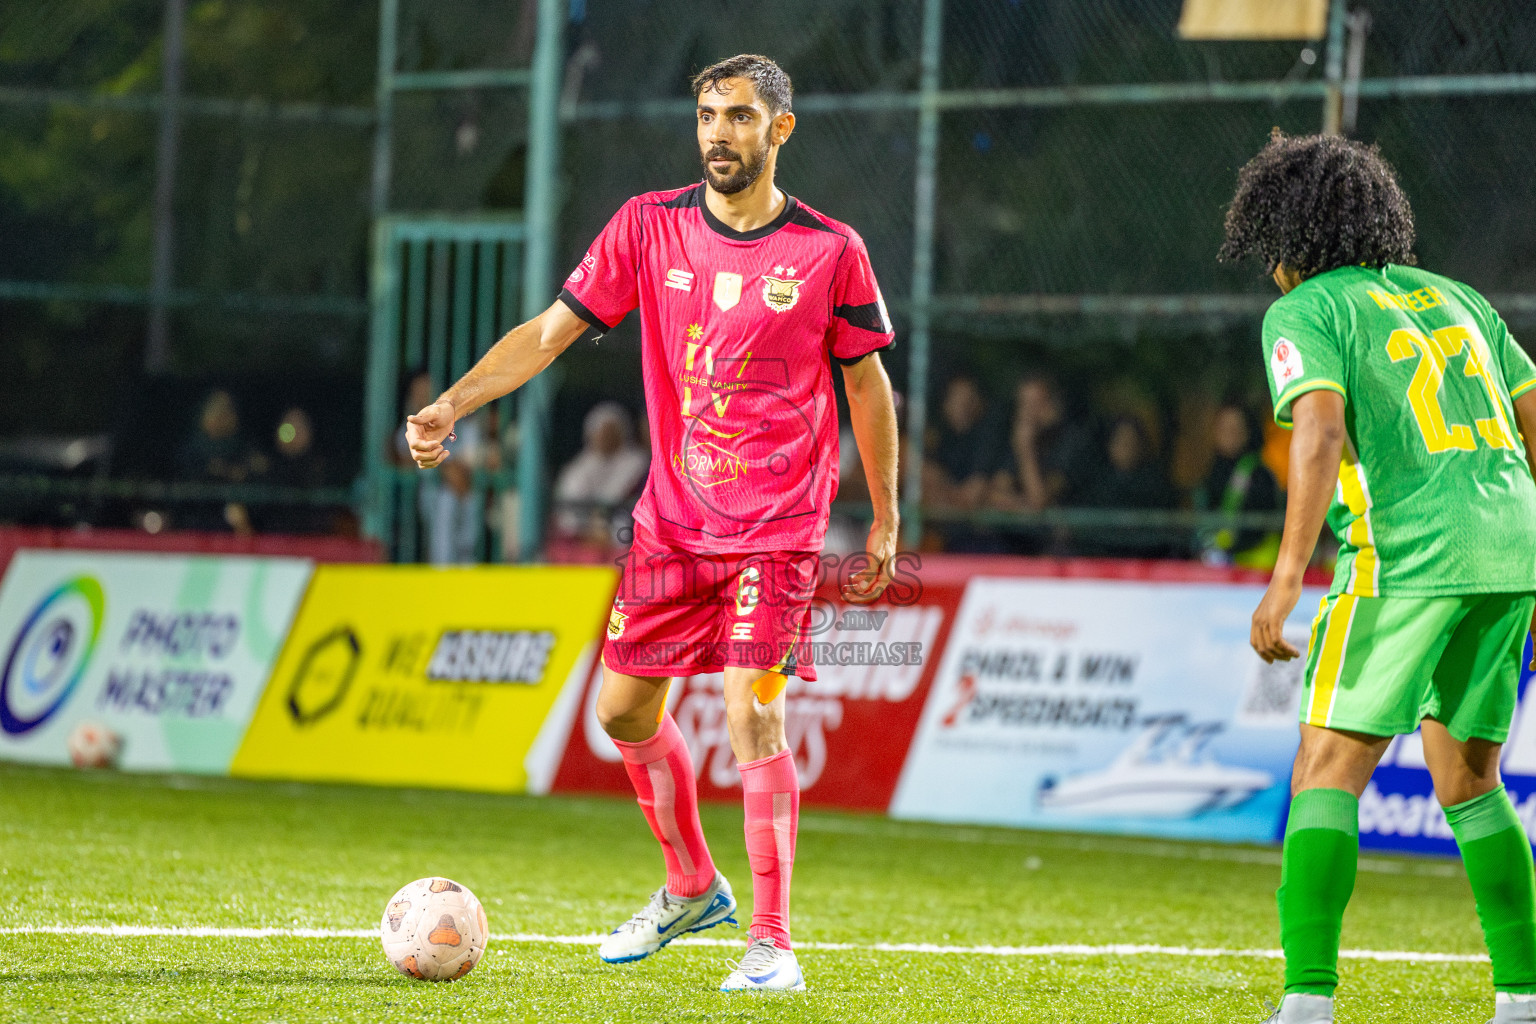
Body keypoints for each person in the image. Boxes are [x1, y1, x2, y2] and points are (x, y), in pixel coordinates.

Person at [403, 54, 900, 993]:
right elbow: (549, 334)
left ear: (780, 129)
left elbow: (865, 382)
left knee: (754, 711)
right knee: (621, 712)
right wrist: (455, 405)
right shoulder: (648, 225)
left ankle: (772, 943)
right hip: (672, 525)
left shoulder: (831, 250)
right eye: (709, 114)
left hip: (779, 526)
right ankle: (689, 885)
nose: (720, 132)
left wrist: (885, 517)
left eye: (741, 117)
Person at [1224, 131, 1536, 1024]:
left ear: (1285, 239)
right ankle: (1522, 998)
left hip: (1411, 552)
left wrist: (1287, 578)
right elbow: (1534, 421)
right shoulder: (1459, 297)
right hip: (1512, 542)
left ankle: (1306, 1005)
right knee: (1472, 778)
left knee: (1325, 766)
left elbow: (1317, 432)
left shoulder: (1309, 309)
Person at [550, 401, 649, 556]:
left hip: (623, 536)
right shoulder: (579, 468)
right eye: (601, 431)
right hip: (583, 538)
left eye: (611, 431)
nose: (606, 437)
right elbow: (568, 512)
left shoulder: (637, 464)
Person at [1191, 402, 1282, 567]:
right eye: (1224, 428)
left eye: (1236, 428)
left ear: (1247, 431)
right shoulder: (1209, 471)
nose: (1230, 434)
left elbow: (1261, 525)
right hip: (1220, 567)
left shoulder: (1260, 474)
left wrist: (1229, 549)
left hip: (1256, 568)